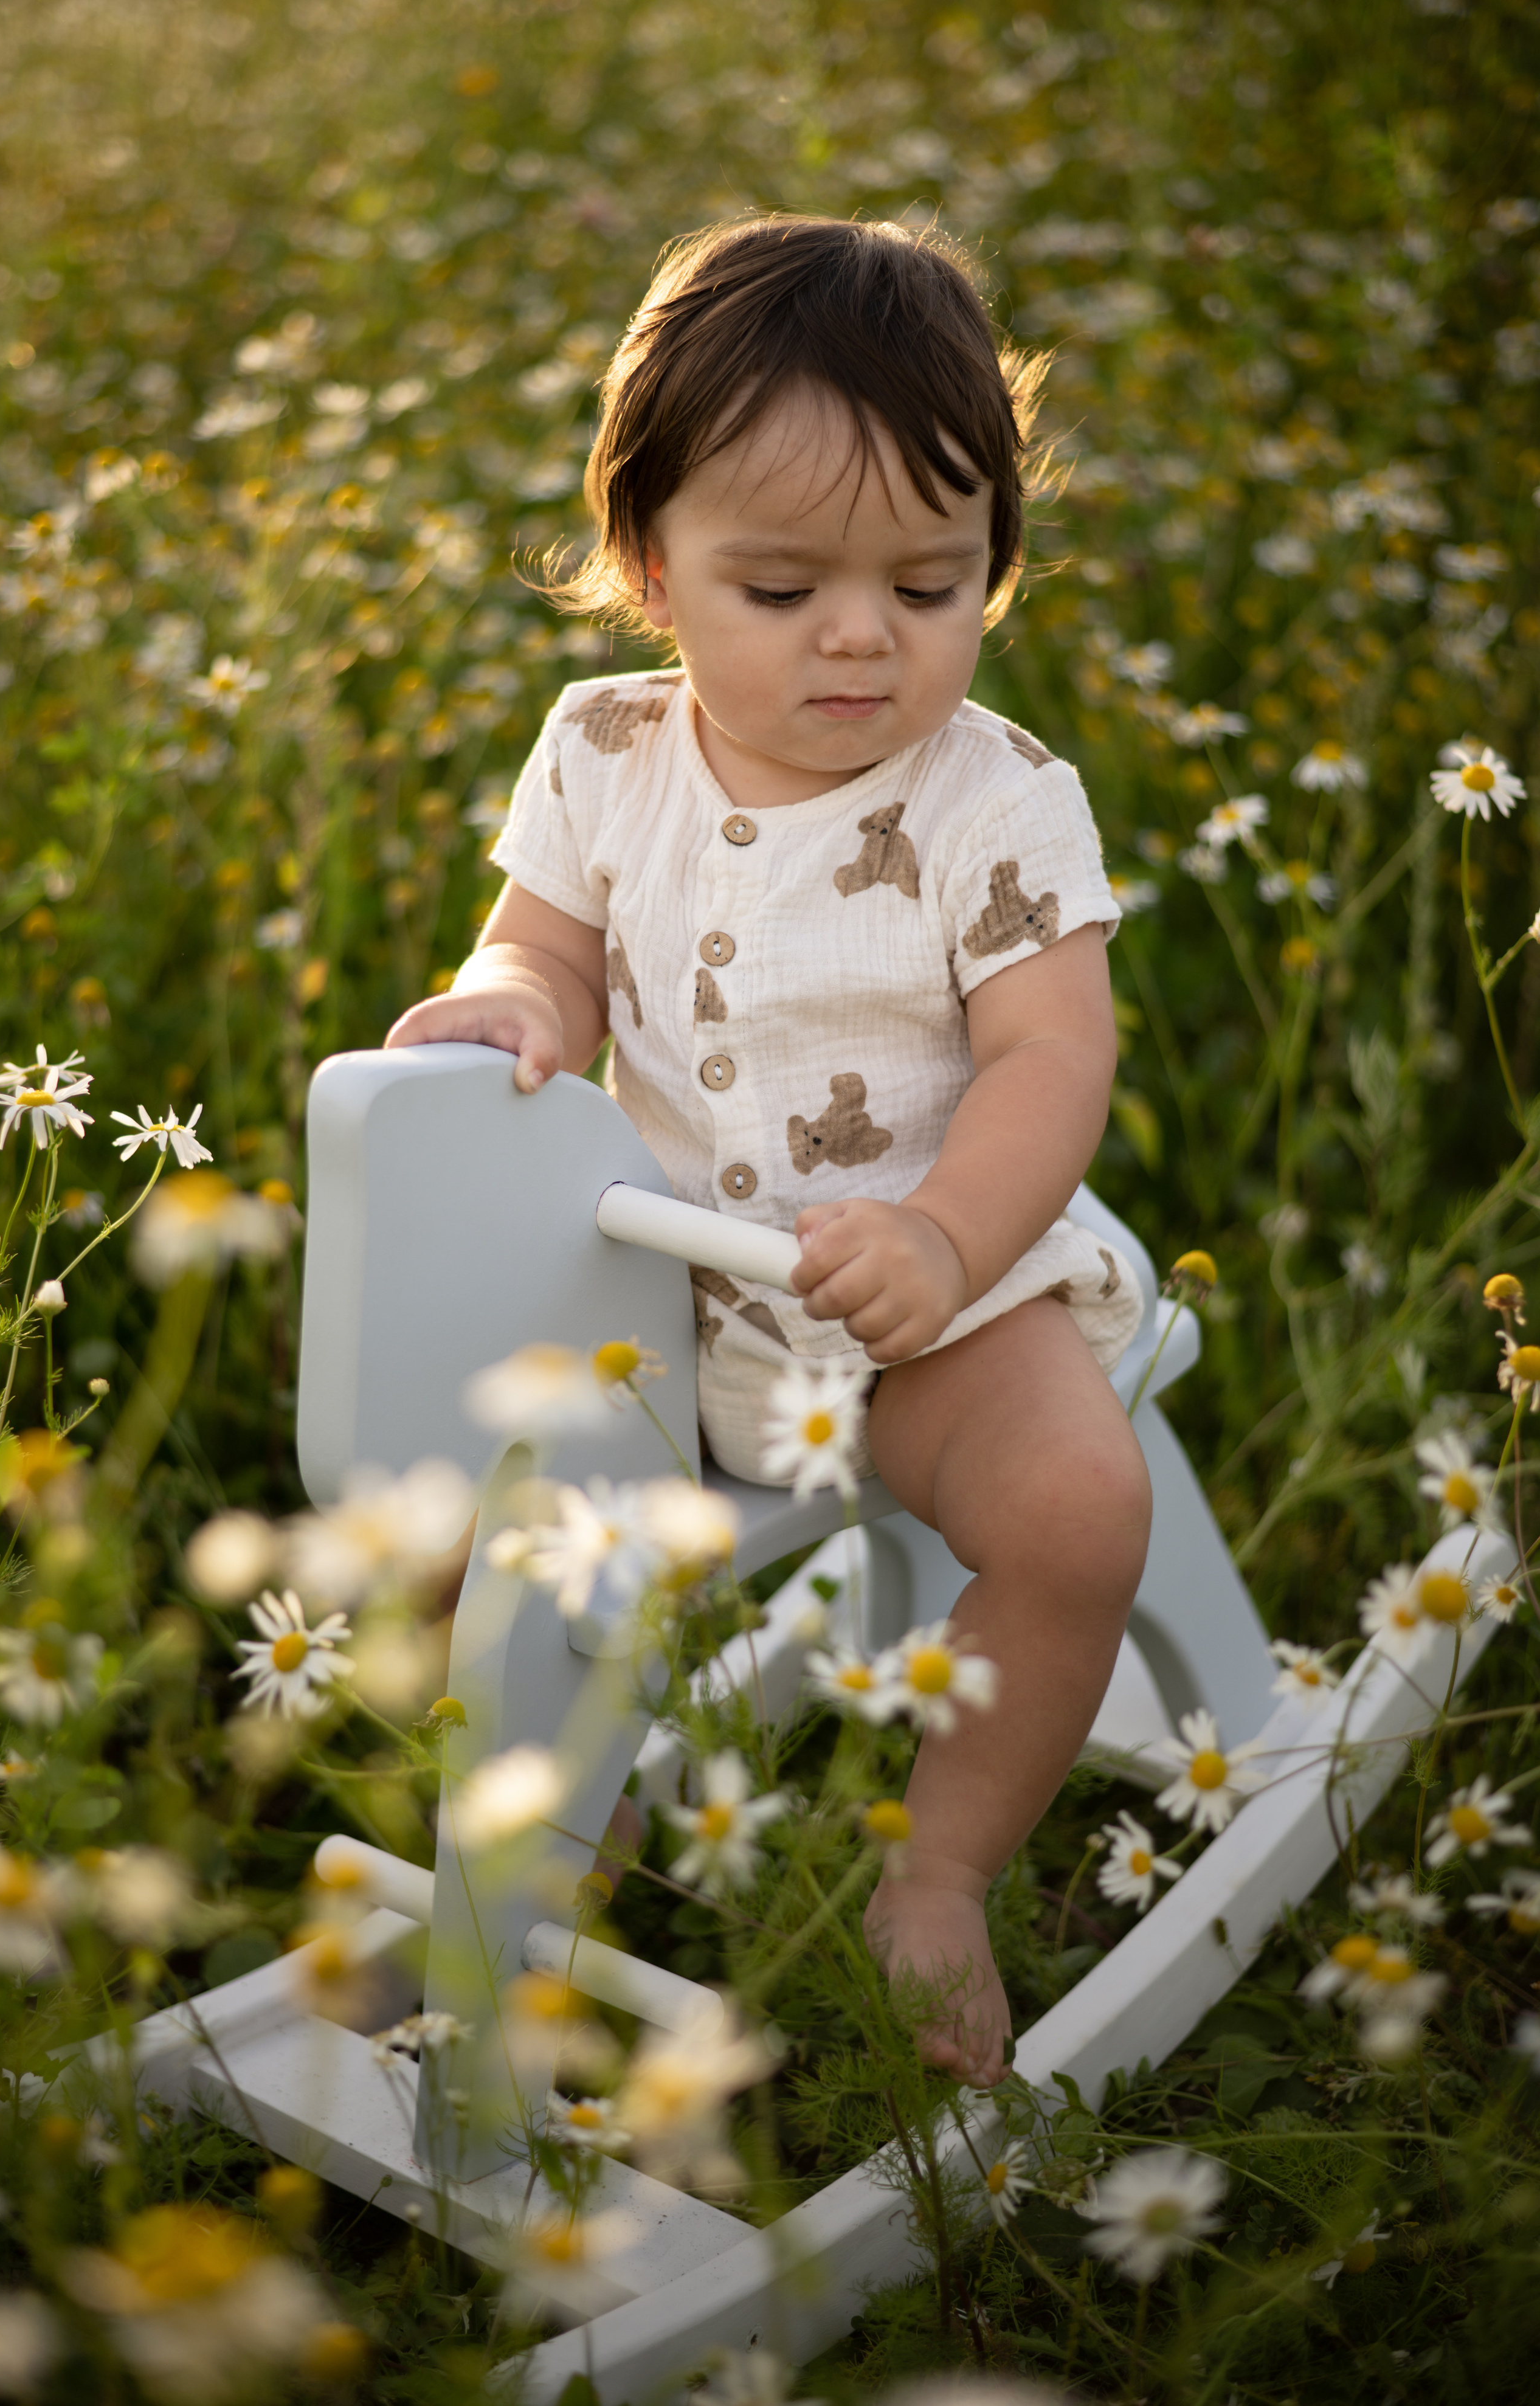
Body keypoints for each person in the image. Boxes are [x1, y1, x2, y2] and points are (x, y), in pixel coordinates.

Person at [387, 215, 1153, 2087]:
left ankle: (943, 1867)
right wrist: (516, 1008)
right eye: (785, 585)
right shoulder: (604, 751)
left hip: (928, 1305)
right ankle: (569, 1813)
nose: (861, 636)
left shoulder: (997, 799)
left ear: (994, 568)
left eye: (928, 582)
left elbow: (1055, 1055)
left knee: (1078, 1512)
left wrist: (954, 1239)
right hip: (657, 1298)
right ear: (654, 572)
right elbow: (545, 947)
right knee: (456, 1533)